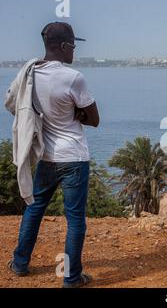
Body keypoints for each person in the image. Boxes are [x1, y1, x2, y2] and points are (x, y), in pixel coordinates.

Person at [5, 22, 99, 288]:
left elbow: (17, 104)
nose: (75, 51)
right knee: (75, 220)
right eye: (73, 46)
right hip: (74, 158)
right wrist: (76, 113)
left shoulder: (30, 74)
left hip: (47, 157)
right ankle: (71, 277)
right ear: (63, 46)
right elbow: (94, 119)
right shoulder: (73, 77)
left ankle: (20, 263)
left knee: (33, 209)